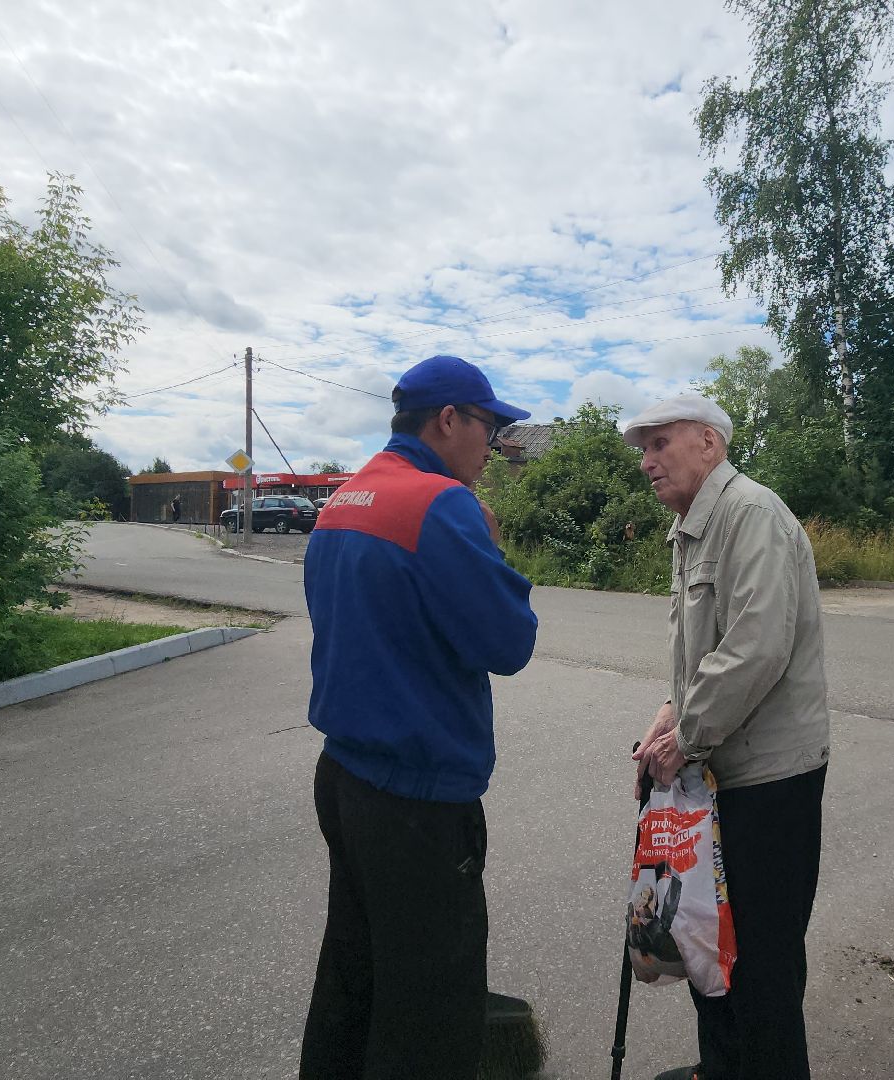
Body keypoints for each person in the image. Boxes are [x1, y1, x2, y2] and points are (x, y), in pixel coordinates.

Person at [297, 354, 539, 1080]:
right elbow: (508, 642)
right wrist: (489, 545)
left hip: (343, 775)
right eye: (489, 429)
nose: (492, 448)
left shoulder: (346, 497)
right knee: (432, 1002)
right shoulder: (440, 503)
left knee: (355, 967)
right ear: (448, 421)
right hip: (417, 798)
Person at [625, 394, 830, 1080]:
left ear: (709, 443)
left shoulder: (751, 515)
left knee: (763, 966)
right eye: (643, 449)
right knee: (710, 951)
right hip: (718, 778)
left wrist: (685, 734)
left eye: (659, 443)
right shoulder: (694, 527)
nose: (647, 462)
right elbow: (700, 657)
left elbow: (755, 649)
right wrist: (667, 714)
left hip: (769, 783)